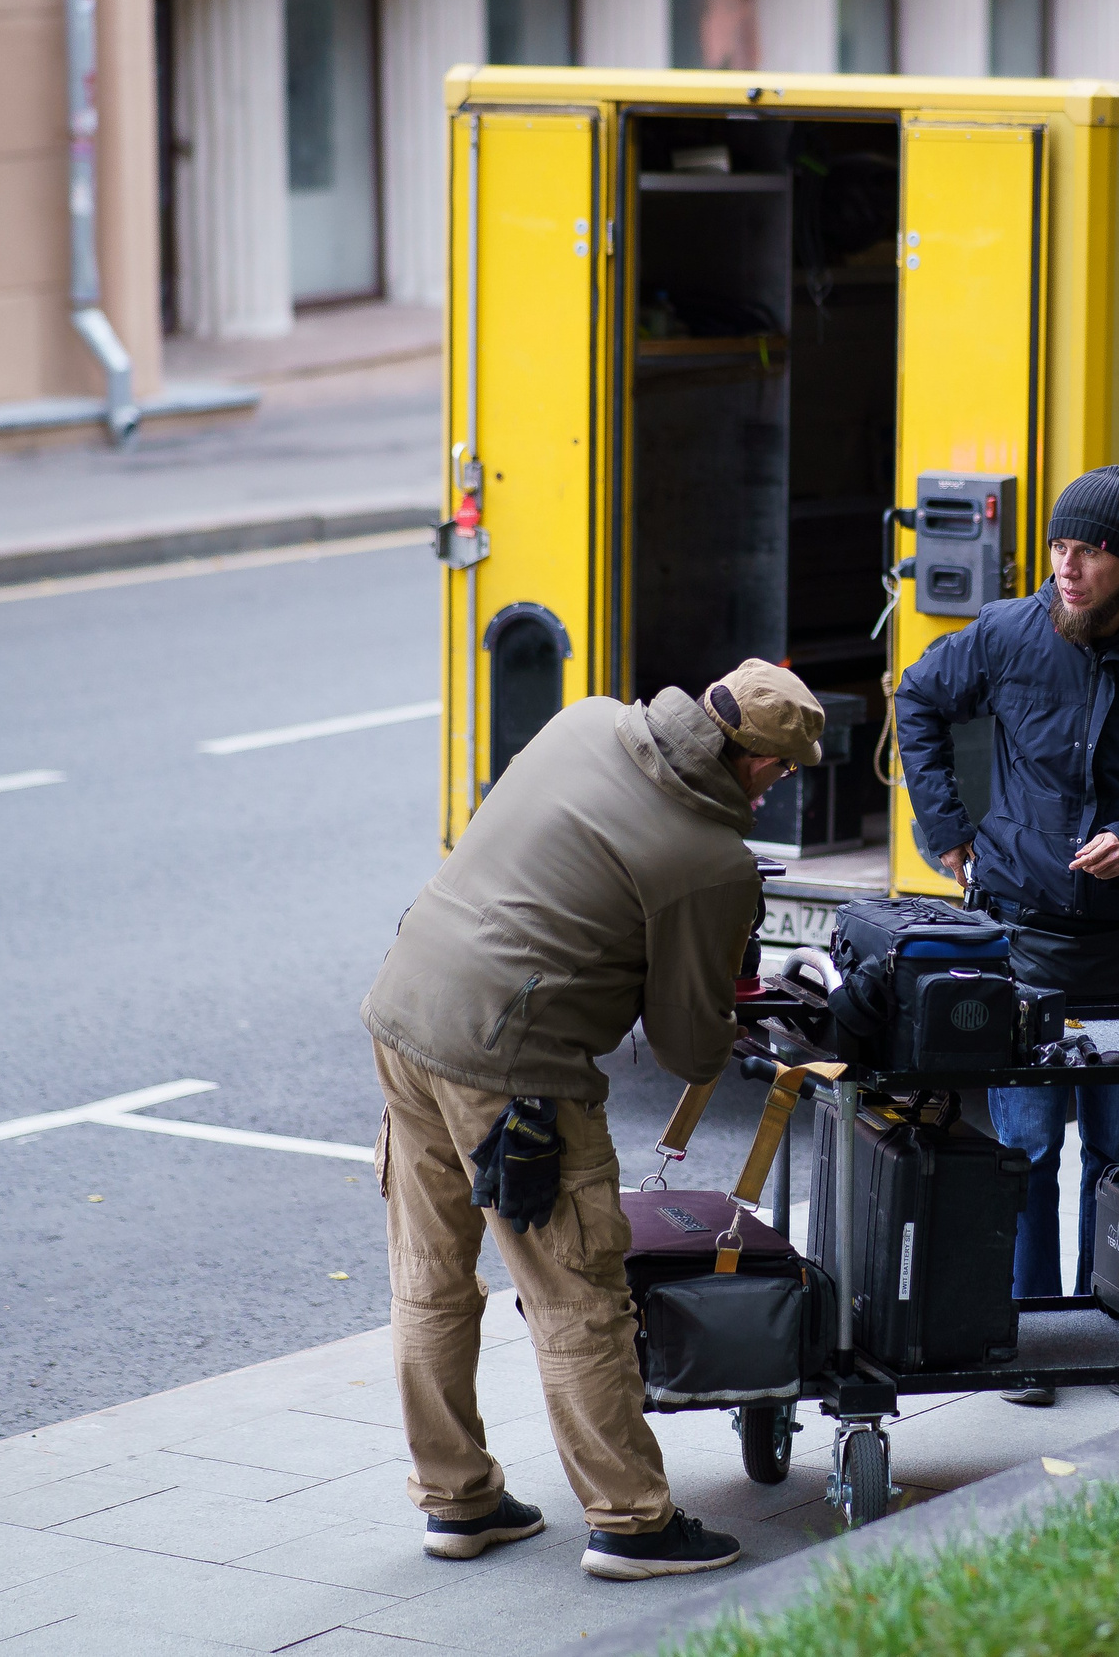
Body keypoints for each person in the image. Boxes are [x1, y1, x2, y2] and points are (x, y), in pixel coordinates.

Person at [360, 660, 824, 1579]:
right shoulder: (709, 861)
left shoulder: (588, 721)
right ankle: (631, 1521)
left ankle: (459, 1501)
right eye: (782, 770)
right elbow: (694, 1048)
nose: (780, 788)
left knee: (430, 1274)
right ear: (752, 761)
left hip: (405, 1009)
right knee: (579, 1297)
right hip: (514, 1068)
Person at [894, 464, 1119, 1404]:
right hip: (1021, 939)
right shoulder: (1013, 632)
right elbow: (919, 699)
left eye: (1087, 550)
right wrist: (948, 830)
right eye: (1059, 546)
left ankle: (1117, 1328)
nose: (1068, 565)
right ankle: (1025, 1334)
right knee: (1025, 1152)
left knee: (1115, 1149)